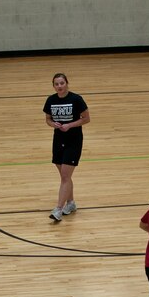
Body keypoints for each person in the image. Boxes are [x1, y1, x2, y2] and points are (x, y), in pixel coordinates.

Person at [43, 72, 90, 222]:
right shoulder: (51, 100)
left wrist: (70, 125)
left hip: (74, 141)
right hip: (58, 140)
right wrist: (53, 124)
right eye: (56, 84)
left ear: (67, 83)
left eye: (62, 83)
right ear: (54, 86)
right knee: (65, 176)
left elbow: (86, 118)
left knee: (64, 176)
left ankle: (58, 209)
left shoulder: (76, 99)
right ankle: (71, 203)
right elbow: (48, 119)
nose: (59, 86)